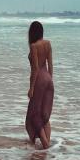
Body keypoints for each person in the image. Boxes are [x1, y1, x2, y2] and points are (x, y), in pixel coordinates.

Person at [25, 20, 54, 149]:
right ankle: (48, 145)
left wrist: (31, 88)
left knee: (34, 115)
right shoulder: (48, 44)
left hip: (39, 80)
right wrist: (50, 79)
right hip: (48, 78)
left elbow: (35, 69)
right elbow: (50, 64)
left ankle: (45, 145)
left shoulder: (34, 46)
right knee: (45, 115)